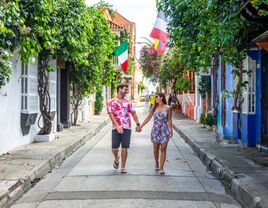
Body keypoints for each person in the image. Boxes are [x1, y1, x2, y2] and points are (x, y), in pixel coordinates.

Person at [107, 84, 141, 174]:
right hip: (116, 127)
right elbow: (111, 114)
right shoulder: (111, 101)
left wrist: (138, 124)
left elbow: (133, 113)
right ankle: (116, 158)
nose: (126, 91)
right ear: (119, 89)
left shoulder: (128, 102)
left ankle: (123, 167)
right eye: (125, 89)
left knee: (125, 147)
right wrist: (117, 125)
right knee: (114, 147)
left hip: (127, 127)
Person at [138, 92, 173, 175]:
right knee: (156, 149)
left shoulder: (168, 108)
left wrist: (171, 130)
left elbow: (169, 120)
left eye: (156, 97)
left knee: (163, 149)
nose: (155, 98)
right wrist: (141, 126)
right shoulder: (154, 107)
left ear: (161, 97)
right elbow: (148, 118)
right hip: (155, 130)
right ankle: (157, 162)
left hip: (164, 130)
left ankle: (161, 168)